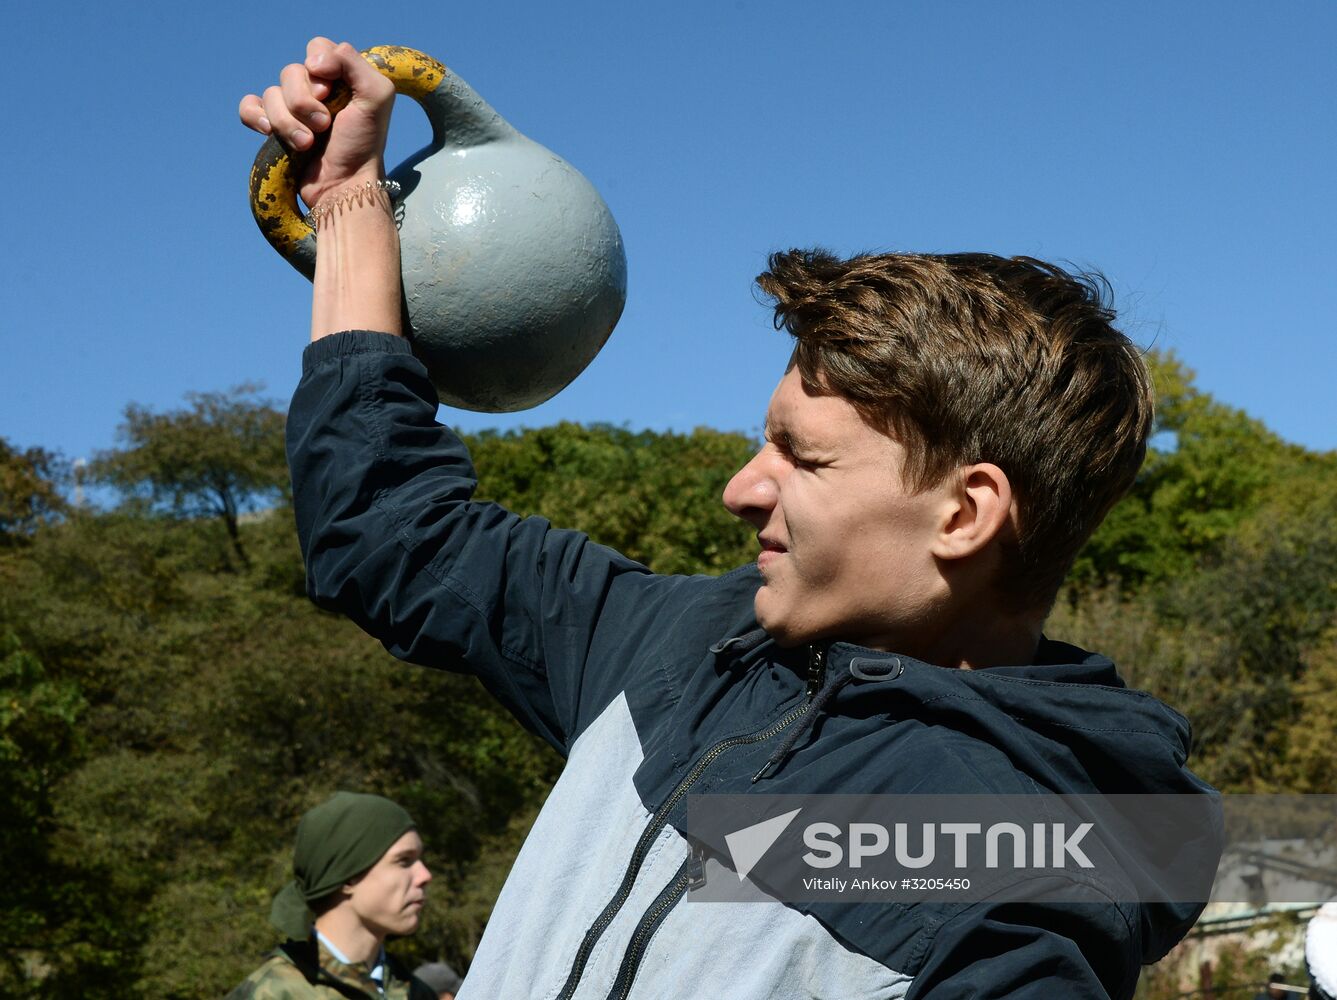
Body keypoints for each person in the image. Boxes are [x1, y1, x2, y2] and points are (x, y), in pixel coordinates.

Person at [239, 37, 1222, 999]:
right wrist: (352, 204)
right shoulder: (683, 645)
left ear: (964, 514)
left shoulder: (1012, 892)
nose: (741, 488)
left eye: (802, 456)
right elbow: (387, 532)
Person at [227, 791, 436, 999]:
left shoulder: (417, 993)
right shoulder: (276, 993)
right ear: (348, 877)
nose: (424, 875)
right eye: (404, 860)